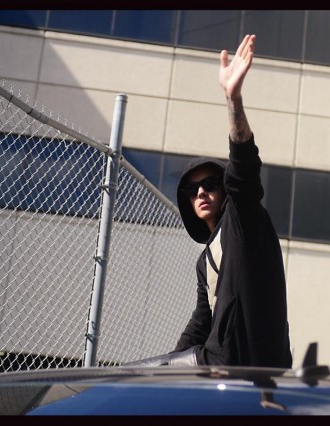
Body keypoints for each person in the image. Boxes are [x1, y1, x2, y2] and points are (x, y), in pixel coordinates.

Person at [124, 34, 292, 368]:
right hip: (217, 364)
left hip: (249, 364)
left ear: (225, 189)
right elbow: (201, 323)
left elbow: (244, 171)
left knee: (129, 376)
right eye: (191, 189)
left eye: (210, 184)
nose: (200, 192)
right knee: (143, 375)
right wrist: (170, 365)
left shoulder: (242, 223)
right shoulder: (206, 261)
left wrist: (233, 99)